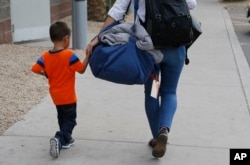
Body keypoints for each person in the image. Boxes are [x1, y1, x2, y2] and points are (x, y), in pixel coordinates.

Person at [86, 0, 197, 158]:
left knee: (153, 92)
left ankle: (157, 137)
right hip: (176, 49)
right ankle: (164, 129)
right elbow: (192, 4)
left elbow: (117, 11)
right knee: (170, 92)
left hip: (150, 53)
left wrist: (97, 38)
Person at [31, 21, 90, 158]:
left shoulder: (46, 56)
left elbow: (34, 69)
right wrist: (88, 56)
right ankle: (59, 138)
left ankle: (67, 139)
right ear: (66, 39)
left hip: (56, 96)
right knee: (70, 120)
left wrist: (45, 73)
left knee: (62, 118)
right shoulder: (69, 55)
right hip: (68, 97)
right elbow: (81, 69)